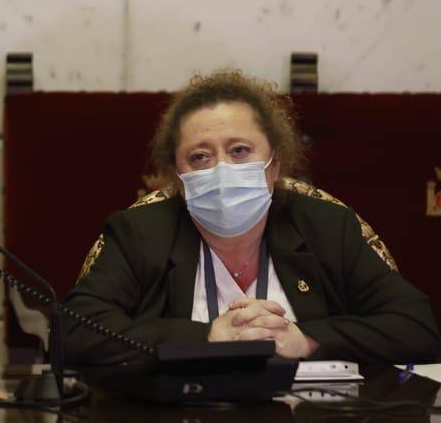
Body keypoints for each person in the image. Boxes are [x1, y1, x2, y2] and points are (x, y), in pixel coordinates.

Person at [64, 69, 440, 365]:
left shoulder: (326, 226)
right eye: (200, 157)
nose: (222, 168)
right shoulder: (140, 233)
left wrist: (303, 339)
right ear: (178, 177)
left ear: (274, 164)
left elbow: (416, 328)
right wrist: (208, 339)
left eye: (240, 150)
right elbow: (74, 334)